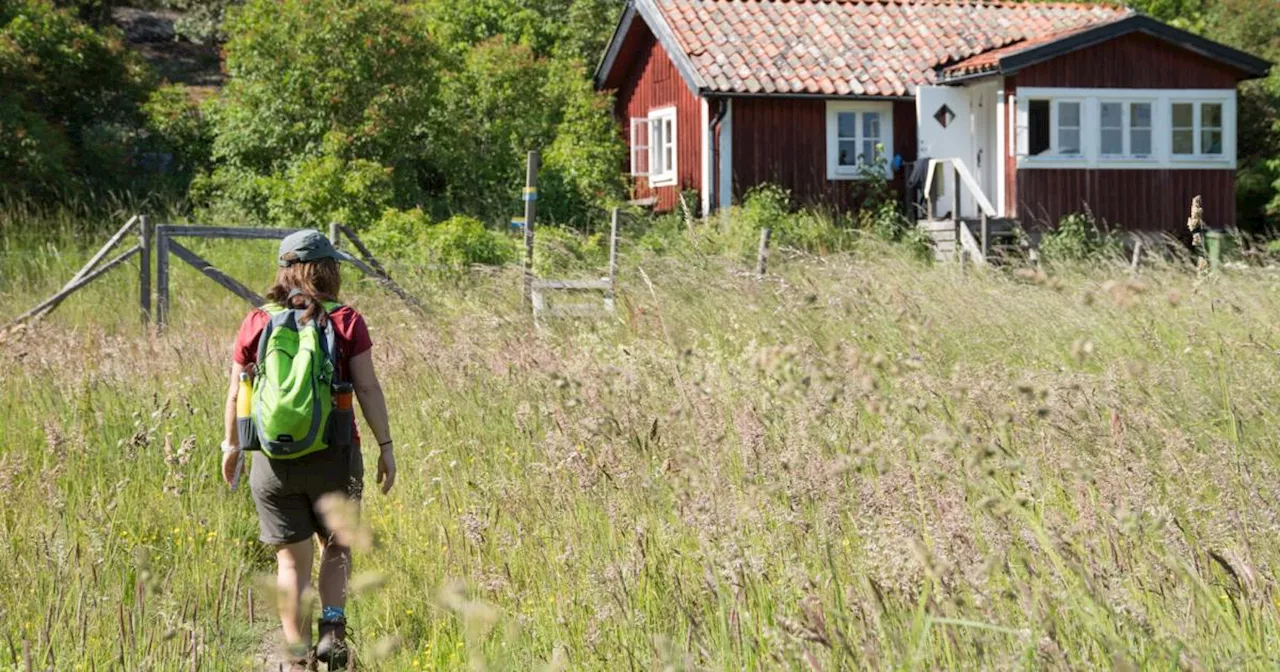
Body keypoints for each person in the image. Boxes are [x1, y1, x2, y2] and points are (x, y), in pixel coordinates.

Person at [220, 229, 397, 670]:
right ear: (329, 269)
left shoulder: (258, 321)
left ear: (284, 269)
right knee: (337, 546)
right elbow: (368, 388)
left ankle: (297, 657)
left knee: (290, 562)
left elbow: (236, 389)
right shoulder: (346, 320)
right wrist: (386, 446)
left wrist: (232, 446)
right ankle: (332, 632)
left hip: (272, 462)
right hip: (336, 454)